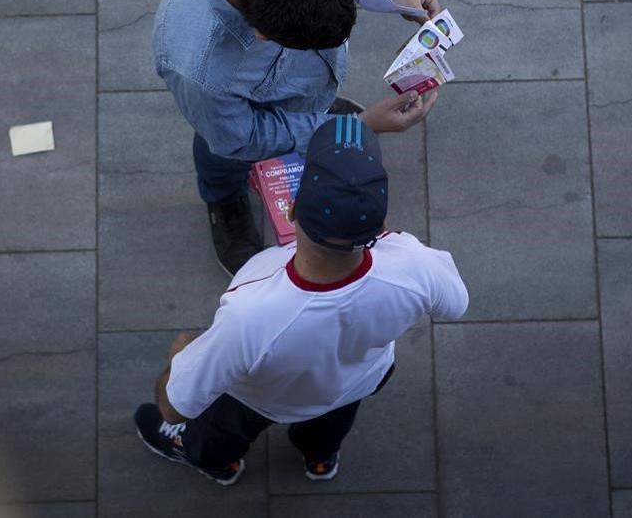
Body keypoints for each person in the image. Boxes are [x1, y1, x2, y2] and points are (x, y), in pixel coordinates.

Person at [133, 115, 469, 485]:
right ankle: (320, 459)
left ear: (290, 209)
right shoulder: (414, 263)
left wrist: (180, 357)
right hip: (357, 380)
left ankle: (218, 463)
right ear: (379, 225)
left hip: (262, 399)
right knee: (330, 423)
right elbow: (456, 304)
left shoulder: (251, 312)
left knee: (219, 432)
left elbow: (174, 406)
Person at [152, 0, 442, 275]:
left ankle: (316, 114)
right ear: (263, 36)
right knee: (221, 154)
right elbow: (241, 136)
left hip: (283, 87)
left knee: (310, 108)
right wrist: (359, 125)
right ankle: (224, 199)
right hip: (232, 126)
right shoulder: (196, 68)